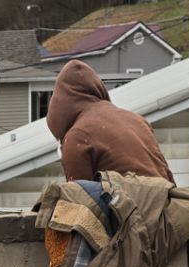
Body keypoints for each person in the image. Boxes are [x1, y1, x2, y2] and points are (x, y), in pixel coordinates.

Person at [45, 60, 173, 185]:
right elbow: (166, 176)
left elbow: (80, 200)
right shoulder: (138, 120)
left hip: (133, 205)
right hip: (168, 201)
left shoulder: (77, 137)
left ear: (58, 109)